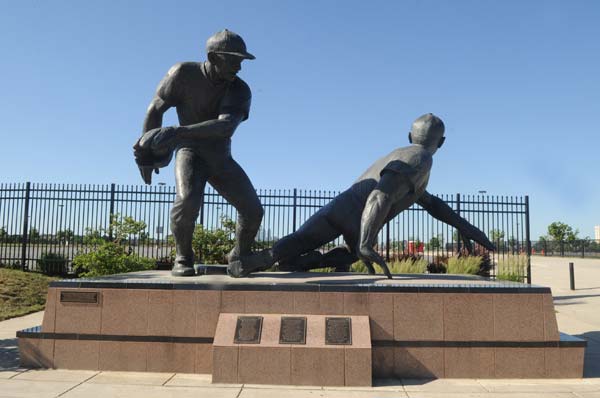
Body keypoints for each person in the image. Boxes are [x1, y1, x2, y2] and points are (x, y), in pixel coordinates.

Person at [264, 113, 495, 279]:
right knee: (353, 252)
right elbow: (379, 196)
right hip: (357, 215)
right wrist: (365, 243)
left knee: (293, 246)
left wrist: (464, 226)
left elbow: (429, 202)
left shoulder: (402, 154)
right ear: (442, 142)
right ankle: (300, 260)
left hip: (340, 207)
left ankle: (261, 260)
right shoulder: (422, 158)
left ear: (409, 135)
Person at [133, 29, 264, 277]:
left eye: (241, 61)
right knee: (187, 201)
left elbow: (225, 127)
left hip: (220, 156)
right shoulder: (182, 74)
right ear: (214, 58)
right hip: (190, 153)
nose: (239, 67)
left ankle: (239, 256)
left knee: (253, 210)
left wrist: (176, 133)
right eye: (234, 60)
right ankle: (183, 257)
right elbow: (155, 109)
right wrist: (147, 154)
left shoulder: (240, 90)